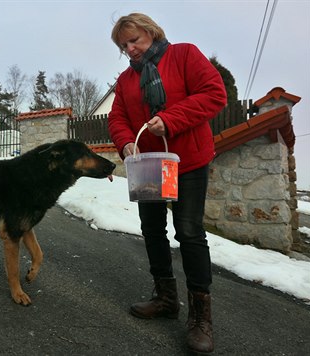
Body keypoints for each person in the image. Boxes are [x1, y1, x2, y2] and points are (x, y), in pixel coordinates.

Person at [108, 13, 227, 354]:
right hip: (149, 165)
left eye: (135, 41)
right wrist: (126, 142)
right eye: (123, 45)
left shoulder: (185, 55)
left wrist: (170, 120)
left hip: (188, 160)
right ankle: (165, 298)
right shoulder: (126, 81)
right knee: (153, 229)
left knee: (189, 231)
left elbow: (214, 93)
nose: (130, 49)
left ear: (151, 32)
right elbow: (117, 117)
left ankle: (201, 317)